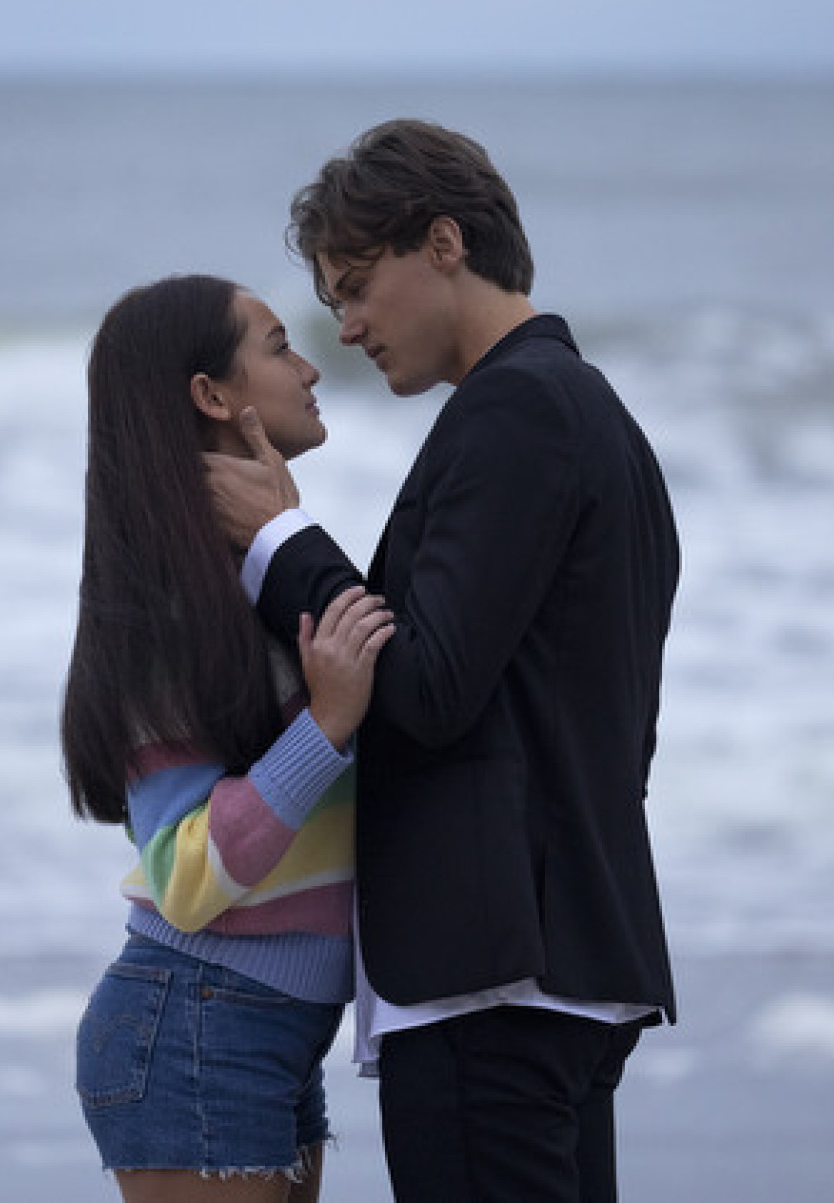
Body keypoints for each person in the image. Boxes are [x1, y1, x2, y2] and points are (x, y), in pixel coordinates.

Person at [206, 120, 680, 1202]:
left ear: (445, 242)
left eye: (359, 284)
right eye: (332, 304)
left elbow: (424, 685)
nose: (352, 326)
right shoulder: (595, 417)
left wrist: (282, 540)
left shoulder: (519, 408)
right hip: (559, 961)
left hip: (493, 980)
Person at [62, 274, 396, 1201]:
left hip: (265, 1031)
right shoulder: (173, 610)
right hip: (196, 1020)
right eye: (280, 344)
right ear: (211, 395)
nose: (309, 365)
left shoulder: (259, 579)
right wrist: (326, 723)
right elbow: (184, 871)